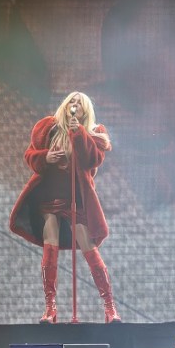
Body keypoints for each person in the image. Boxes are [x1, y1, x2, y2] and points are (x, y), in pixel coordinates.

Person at [10, 92, 121, 323]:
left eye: (80, 103)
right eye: (72, 101)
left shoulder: (94, 133)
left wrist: (78, 132)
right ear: (65, 105)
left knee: (88, 245)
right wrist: (46, 157)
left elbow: (92, 159)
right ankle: (50, 307)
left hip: (76, 198)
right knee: (49, 239)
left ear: (86, 111)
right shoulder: (49, 128)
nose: (75, 105)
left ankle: (110, 307)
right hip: (50, 194)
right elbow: (30, 155)